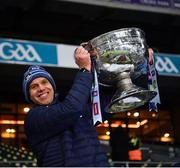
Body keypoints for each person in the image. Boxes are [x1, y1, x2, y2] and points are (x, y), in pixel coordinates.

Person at [22, 46, 109, 167]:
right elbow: (71, 109)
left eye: (44, 82)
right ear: (29, 96)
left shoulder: (75, 110)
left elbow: (109, 105)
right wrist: (85, 70)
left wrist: (97, 64)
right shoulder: (34, 118)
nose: (41, 88)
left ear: (52, 86)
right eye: (33, 86)